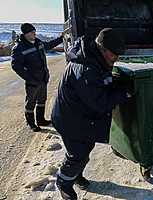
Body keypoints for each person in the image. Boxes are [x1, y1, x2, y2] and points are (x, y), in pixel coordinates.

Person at [51, 28, 132, 200]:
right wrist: (123, 93)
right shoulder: (86, 69)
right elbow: (99, 102)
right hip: (70, 120)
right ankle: (63, 182)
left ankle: (75, 175)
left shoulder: (95, 59)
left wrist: (116, 83)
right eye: (114, 54)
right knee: (77, 154)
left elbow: (101, 84)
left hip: (80, 117)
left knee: (85, 149)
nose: (116, 58)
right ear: (102, 49)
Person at [11, 23, 64, 132]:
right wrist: (29, 78)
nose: (34, 33)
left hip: (43, 78)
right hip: (32, 81)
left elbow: (49, 45)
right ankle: (31, 123)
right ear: (25, 34)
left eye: (34, 31)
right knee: (31, 102)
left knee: (42, 100)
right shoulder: (19, 48)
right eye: (32, 32)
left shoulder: (38, 42)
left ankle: (41, 120)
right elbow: (15, 65)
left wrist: (61, 38)